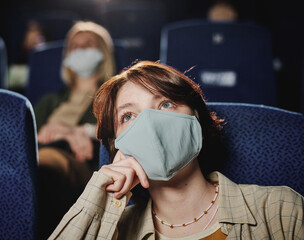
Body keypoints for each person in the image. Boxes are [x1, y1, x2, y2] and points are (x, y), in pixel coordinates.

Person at [48, 61, 304, 239]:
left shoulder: (281, 210)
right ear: (117, 146)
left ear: (198, 123)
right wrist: (101, 194)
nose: (148, 122)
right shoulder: (115, 231)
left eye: (166, 104)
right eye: (128, 116)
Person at [34, 21, 116, 239]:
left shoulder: (114, 96)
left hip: (83, 170)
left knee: (44, 162)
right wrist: (67, 132)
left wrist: (80, 132)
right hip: (36, 161)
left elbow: (122, 128)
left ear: (103, 52)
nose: (80, 49)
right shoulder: (48, 101)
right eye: (74, 45)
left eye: (88, 44)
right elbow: (22, 140)